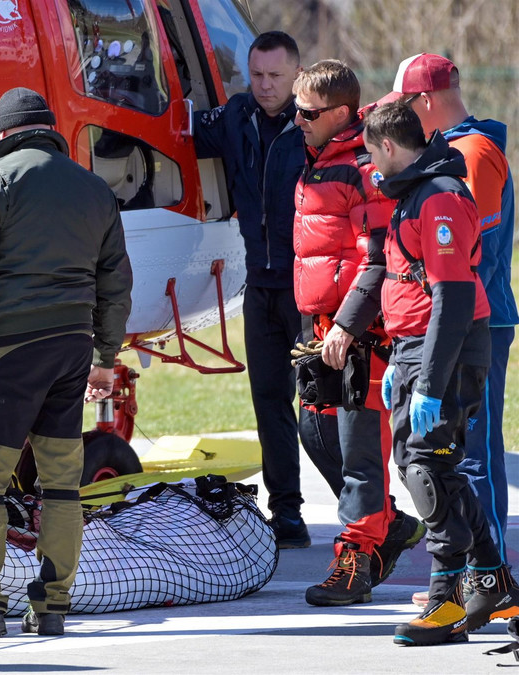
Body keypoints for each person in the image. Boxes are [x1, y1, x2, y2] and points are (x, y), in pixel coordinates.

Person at [0, 87, 132, 638]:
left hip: (12, 349)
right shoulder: (94, 189)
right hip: (71, 350)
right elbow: (116, 283)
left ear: (4, 134)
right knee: (62, 483)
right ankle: (52, 606)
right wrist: (105, 358)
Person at [362, 101, 519, 645]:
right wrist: (403, 364)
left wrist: (427, 380)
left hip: (444, 352)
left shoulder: (440, 199)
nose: (372, 168)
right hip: (419, 349)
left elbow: (452, 296)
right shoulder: (416, 195)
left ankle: (445, 599)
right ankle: (493, 578)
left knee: (424, 470)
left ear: (387, 146)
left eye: (371, 155)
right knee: (434, 469)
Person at [192, 30, 344, 549]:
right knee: (269, 402)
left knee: (320, 405)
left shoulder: (313, 129)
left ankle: (369, 509)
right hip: (259, 288)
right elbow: (176, 132)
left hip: (308, 293)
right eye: (256, 75)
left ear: (296, 77)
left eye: (275, 76)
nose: (264, 85)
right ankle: (287, 514)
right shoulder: (235, 118)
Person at [291, 60, 423, 606]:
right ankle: (387, 527)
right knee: (317, 434)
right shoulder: (316, 161)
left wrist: (349, 325)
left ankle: (357, 559)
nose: (296, 119)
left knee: (362, 452)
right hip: (323, 330)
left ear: (340, 114)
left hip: (361, 336)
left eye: (307, 111)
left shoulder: (364, 168)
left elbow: (378, 259)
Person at [386, 53, 515, 569]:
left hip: (474, 324)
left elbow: (462, 260)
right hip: (453, 326)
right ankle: (473, 577)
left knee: (475, 454)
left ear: (424, 101)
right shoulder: (453, 151)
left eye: (402, 107)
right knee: (454, 454)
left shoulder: (473, 153)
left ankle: (490, 576)